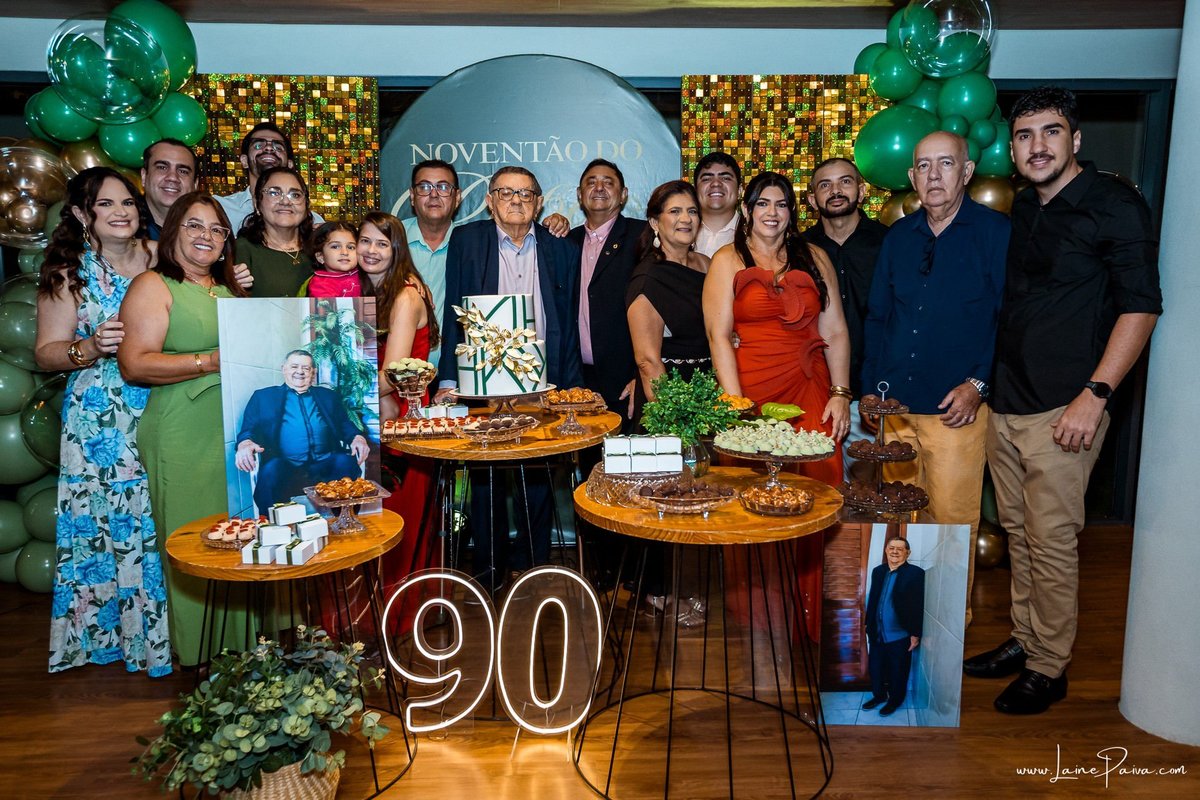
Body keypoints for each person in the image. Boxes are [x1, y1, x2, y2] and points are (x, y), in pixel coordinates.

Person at [966, 87, 1162, 715]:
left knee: (1051, 541)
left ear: (1075, 140)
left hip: (1066, 409)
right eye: (1025, 135)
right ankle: (1026, 640)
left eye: (1051, 132)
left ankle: (1050, 667)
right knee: (1020, 534)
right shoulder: (1025, 209)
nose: (1037, 146)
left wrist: (1096, 395)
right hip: (1009, 401)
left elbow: (1140, 306)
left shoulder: (1114, 205)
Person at [862, 132, 1009, 629]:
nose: (934, 176)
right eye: (923, 166)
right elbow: (878, 316)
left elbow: (1007, 319)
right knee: (899, 522)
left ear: (966, 173)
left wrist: (979, 384)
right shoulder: (900, 238)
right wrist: (868, 385)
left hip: (956, 409)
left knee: (950, 519)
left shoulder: (996, 233)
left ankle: (948, 624)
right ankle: (897, 620)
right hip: (896, 406)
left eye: (946, 164)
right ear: (911, 178)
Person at [35, 167, 168, 676]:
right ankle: (115, 637)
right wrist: (86, 348)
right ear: (80, 214)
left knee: (156, 514)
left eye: (128, 204)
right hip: (98, 421)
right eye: (107, 204)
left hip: (158, 400)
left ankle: (164, 632)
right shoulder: (68, 274)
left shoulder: (160, 259)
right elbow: (46, 352)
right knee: (107, 524)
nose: (121, 212)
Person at [434, 166, 583, 591]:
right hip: (483, 375)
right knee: (486, 476)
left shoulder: (560, 246)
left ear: (539, 202)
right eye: (505, 192)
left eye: (525, 194)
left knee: (537, 474)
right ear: (488, 200)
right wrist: (449, 379)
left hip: (542, 379)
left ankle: (535, 564)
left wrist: (570, 384)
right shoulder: (467, 240)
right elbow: (453, 313)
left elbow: (568, 321)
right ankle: (490, 567)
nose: (516, 201)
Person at [117, 191, 248, 666]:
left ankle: (245, 648)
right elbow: (134, 364)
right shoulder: (153, 285)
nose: (206, 237)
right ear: (173, 230)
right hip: (183, 430)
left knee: (237, 537)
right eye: (194, 226)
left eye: (216, 230)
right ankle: (200, 652)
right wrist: (209, 361)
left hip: (232, 431)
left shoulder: (228, 291)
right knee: (196, 541)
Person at [705, 170, 851, 486]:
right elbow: (718, 336)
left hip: (809, 385)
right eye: (763, 204)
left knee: (819, 481)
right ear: (747, 210)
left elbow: (836, 330)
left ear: (791, 212)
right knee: (751, 488)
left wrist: (840, 393)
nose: (772, 213)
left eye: (782, 205)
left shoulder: (815, 257)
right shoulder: (726, 260)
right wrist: (734, 404)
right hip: (749, 388)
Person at [367, 210, 442, 603]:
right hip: (373, 419)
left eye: (383, 243)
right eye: (365, 241)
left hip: (398, 425)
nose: (372, 250)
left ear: (398, 250)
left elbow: (392, 375)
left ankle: (398, 612)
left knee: (397, 522)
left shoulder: (405, 295)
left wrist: (331, 387)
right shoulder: (369, 291)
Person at [802, 157, 889, 477]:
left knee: (872, 497)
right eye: (825, 185)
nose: (835, 191)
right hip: (815, 393)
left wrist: (880, 389)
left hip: (875, 392)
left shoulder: (888, 242)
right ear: (812, 199)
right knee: (819, 491)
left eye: (845, 182)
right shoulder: (799, 250)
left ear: (862, 191)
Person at [234, 350, 370, 515]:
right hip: (286, 465)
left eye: (306, 368)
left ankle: (345, 520)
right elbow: (248, 429)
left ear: (313, 372)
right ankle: (274, 527)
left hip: (326, 462)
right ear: (284, 369)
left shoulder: (328, 396)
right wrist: (245, 444)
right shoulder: (263, 397)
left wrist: (358, 438)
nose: (300, 371)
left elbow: (344, 425)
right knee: (270, 471)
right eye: (294, 366)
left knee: (345, 462)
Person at [568, 159, 645, 421]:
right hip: (577, 384)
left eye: (608, 182)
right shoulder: (567, 241)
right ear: (580, 195)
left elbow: (662, 312)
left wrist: (642, 375)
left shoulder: (642, 236)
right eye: (591, 182)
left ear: (623, 195)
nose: (599, 187)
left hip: (626, 382)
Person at [627, 180, 711, 418]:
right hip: (670, 397)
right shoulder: (647, 278)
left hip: (711, 390)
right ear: (655, 222)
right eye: (675, 211)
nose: (686, 219)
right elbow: (647, 361)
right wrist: (676, 417)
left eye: (692, 211)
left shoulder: (706, 264)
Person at [401, 160, 461, 361]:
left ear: (457, 197)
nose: (434, 194)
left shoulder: (471, 243)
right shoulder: (390, 240)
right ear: (412, 196)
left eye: (443, 187)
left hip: (455, 376)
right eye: (424, 187)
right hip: (399, 373)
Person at [216, 122, 324, 231]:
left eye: (278, 147)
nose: (269, 148)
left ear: (290, 165)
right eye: (258, 145)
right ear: (244, 161)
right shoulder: (221, 209)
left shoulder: (313, 222)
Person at [863, 536, 925, 716]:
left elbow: (917, 605)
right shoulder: (878, 571)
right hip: (877, 632)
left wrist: (915, 633)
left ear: (908, 553)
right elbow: (873, 599)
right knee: (876, 668)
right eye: (891, 548)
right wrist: (868, 625)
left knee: (899, 670)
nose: (895, 551)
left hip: (900, 634)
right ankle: (879, 696)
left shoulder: (916, 573)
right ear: (886, 550)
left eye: (900, 548)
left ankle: (895, 700)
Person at [234, 166, 316, 297]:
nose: (285, 201)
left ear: (306, 205)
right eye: (274, 193)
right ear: (257, 204)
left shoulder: (320, 248)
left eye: (295, 195)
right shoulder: (242, 249)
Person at [140, 139, 196, 240]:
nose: (173, 177)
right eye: (162, 167)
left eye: (183, 171)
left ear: (195, 184)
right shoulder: (122, 226)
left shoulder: (205, 233)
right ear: (144, 176)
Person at [693, 152, 742, 257]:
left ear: (739, 191)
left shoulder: (754, 234)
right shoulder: (680, 231)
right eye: (706, 179)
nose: (716, 183)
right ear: (695, 191)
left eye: (725, 178)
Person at [304, 221, 362, 297]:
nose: (345, 252)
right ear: (320, 257)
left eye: (351, 247)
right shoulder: (320, 284)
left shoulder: (364, 275)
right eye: (335, 247)